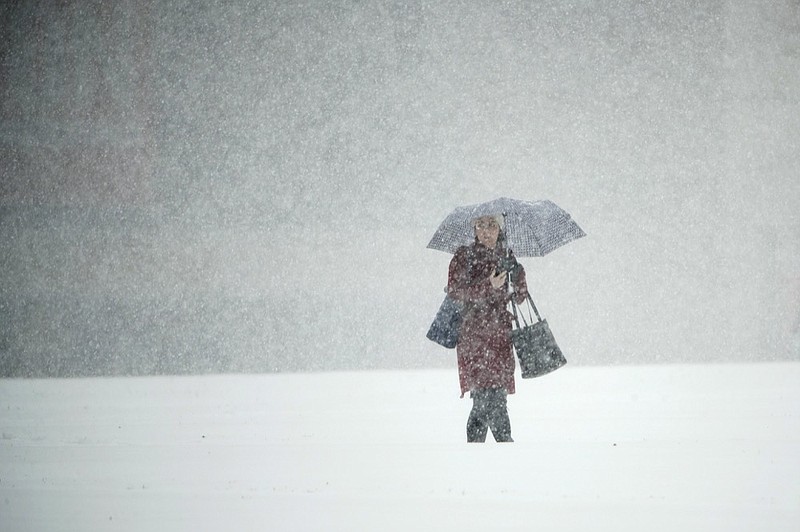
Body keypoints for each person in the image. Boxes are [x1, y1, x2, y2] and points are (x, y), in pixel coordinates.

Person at [447, 214, 528, 443]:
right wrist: (487, 286)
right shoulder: (463, 256)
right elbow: (455, 292)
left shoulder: (506, 255)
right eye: (481, 225)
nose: (486, 230)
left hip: (500, 337)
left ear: (499, 229)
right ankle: (504, 447)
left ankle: (482, 452)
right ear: (474, 228)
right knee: (484, 396)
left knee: (496, 395)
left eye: (492, 225)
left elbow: (520, 297)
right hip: (473, 337)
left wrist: (518, 276)